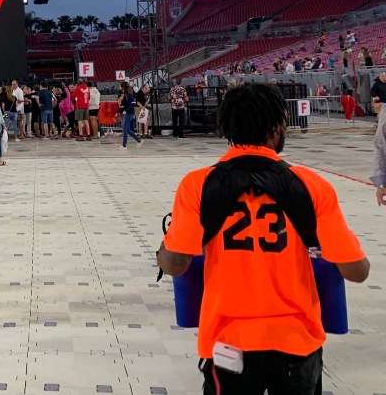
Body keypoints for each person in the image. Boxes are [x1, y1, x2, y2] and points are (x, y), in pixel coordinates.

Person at [158, 83, 369, 394]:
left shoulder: (197, 185)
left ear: (227, 128)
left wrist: (164, 249)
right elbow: (357, 271)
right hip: (297, 343)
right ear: (275, 128)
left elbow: (176, 264)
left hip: (229, 343)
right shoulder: (312, 186)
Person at [118, 81, 142, 150]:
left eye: (120, 85)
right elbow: (122, 106)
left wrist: (126, 110)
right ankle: (139, 140)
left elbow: (133, 103)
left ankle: (124, 146)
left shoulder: (129, 95)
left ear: (122, 87)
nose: (119, 87)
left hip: (129, 114)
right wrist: (118, 112)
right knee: (128, 130)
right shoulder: (124, 95)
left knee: (124, 130)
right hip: (126, 114)